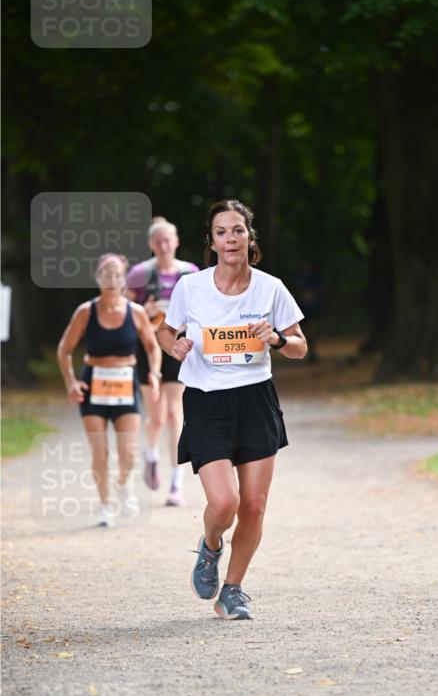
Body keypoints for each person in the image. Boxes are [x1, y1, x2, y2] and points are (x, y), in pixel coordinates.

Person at [156, 200, 307, 619]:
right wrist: (175, 345)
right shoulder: (191, 288)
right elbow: (165, 331)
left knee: (254, 507)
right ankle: (211, 545)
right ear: (212, 241)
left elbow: (300, 346)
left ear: (249, 237)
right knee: (225, 503)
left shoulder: (270, 288)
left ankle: (233, 591)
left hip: (256, 399)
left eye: (237, 230)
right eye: (222, 232)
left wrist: (275, 339)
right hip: (207, 401)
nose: (231, 239)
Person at [57, 254, 161, 527]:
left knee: (128, 452)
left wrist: (155, 373)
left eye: (117, 275)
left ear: (124, 278)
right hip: (94, 384)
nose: (113, 280)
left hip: (126, 383)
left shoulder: (135, 312)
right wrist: (71, 382)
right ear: (97, 278)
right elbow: (64, 350)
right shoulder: (85, 312)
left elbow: (152, 346)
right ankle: (105, 506)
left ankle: (123, 484)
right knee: (99, 451)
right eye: (107, 274)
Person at [126, 217, 198, 506]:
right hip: (147, 347)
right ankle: (152, 456)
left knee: (174, 414)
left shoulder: (189, 273)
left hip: (178, 346)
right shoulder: (140, 274)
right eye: (158, 242)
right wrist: (146, 309)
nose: (164, 246)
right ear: (151, 245)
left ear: (176, 242)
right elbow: (124, 311)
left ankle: (175, 482)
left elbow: (202, 309)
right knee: (155, 416)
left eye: (168, 240)